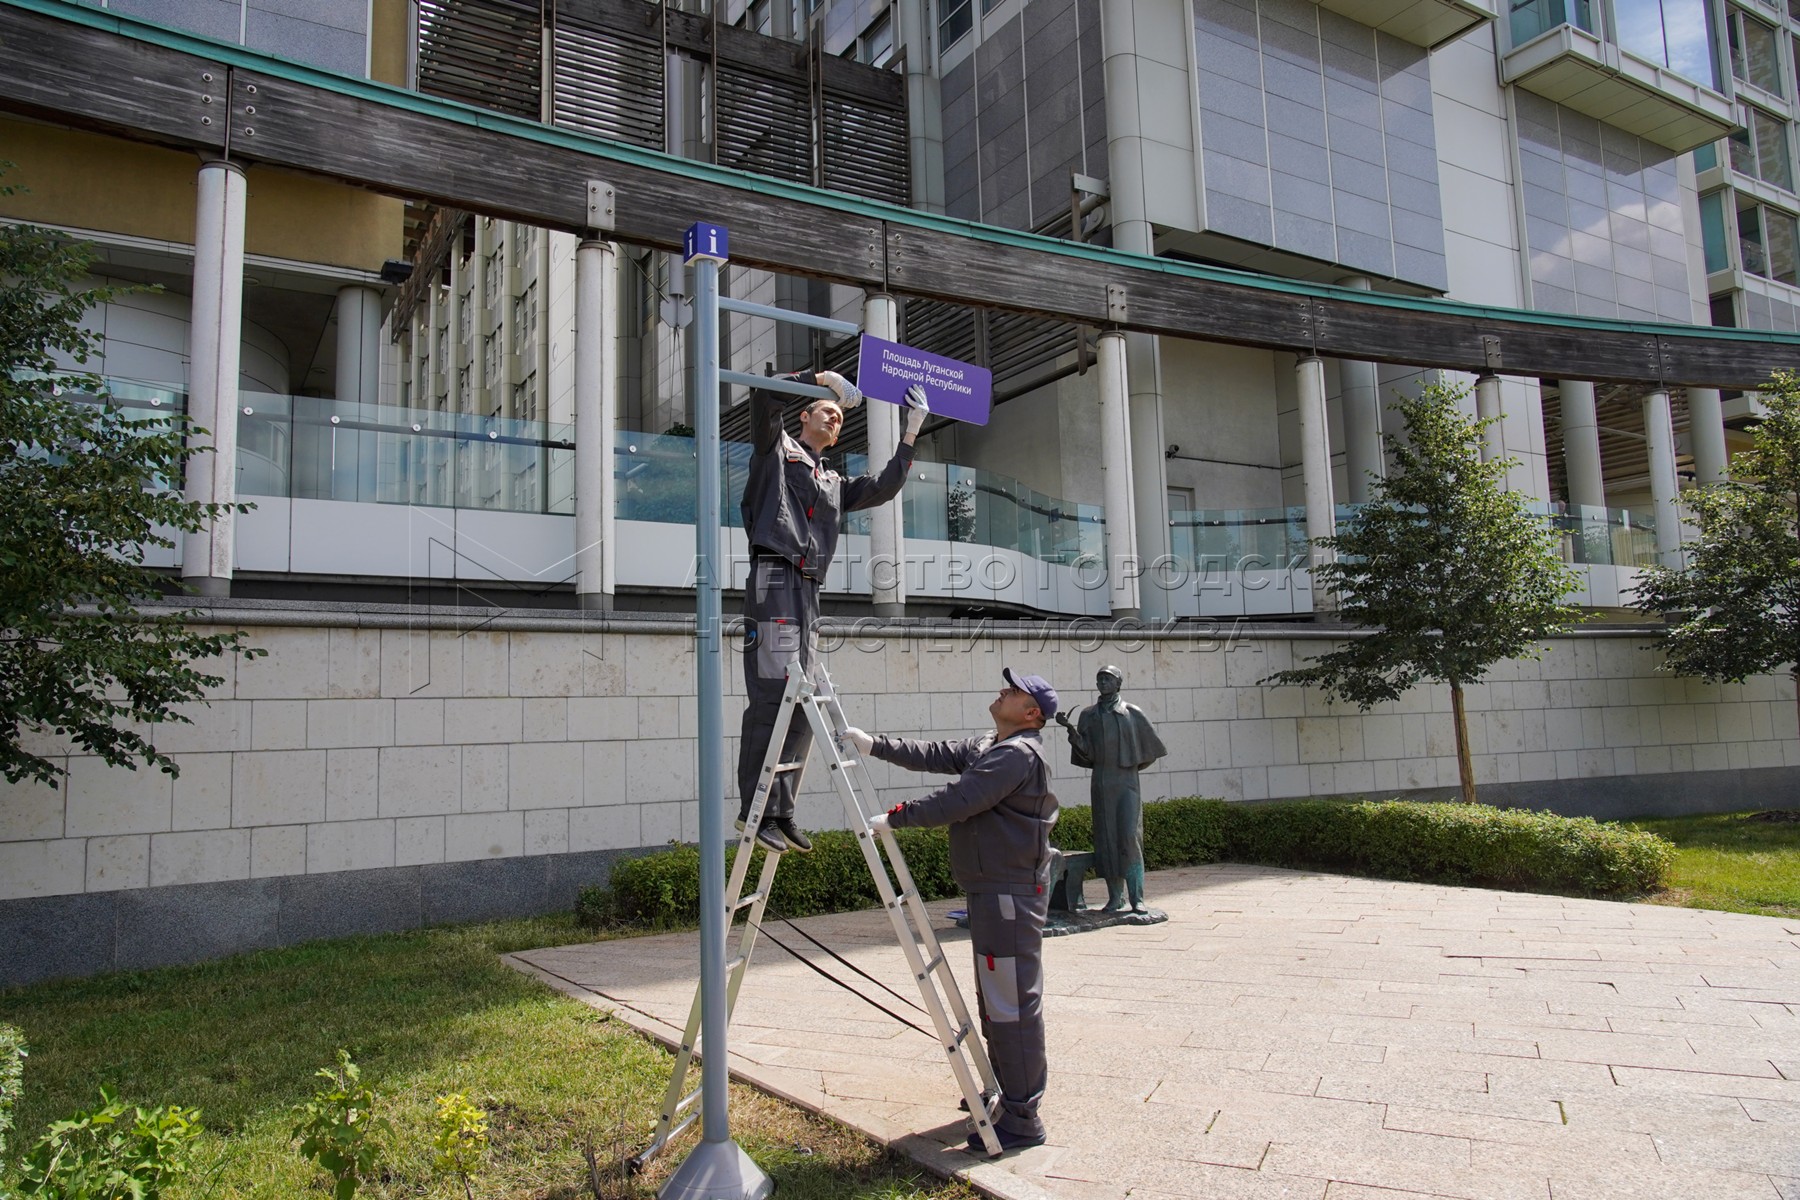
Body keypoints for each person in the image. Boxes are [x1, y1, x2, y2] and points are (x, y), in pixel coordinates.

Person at [841, 668, 1060, 1153]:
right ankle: (1004, 1092)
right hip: (992, 891)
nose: (1003, 690)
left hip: (1009, 895)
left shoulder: (1017, 755)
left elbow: (961, 799)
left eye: (1015, 690)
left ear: (1031, 714)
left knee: (1011, 1003)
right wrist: (873, 744)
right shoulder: (992, 745)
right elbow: (938, 754)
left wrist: (897, 817)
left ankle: (1022, 1118)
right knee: (995, 999)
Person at [737, 369, 929, 854]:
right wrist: (817, 378)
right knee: (772, 690)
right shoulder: (776, 450)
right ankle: (753, 811)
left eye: (842, 417)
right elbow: (763, 396)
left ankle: (779, 810)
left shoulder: (833, 480)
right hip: (776, 577)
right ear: (803, 414)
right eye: (828, 410)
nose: (836, 419)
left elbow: (885, 487)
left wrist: (911, 431)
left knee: (801, 696)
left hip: (807, 590)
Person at [1054, 665, 1167, 913]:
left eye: (1108, 679)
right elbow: (1086, 753)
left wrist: (1128, 766)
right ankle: (1116, 898)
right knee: (1106, 840)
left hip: (1127, 783)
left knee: (1129, 837)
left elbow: (1150, 752)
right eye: (1100, 679)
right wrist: (1071, 731)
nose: (1103, 683)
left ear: (1118, 683)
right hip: (1101, 782)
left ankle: (1137, 898)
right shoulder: (1088, 715)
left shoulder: (1131, 713)